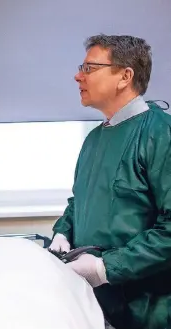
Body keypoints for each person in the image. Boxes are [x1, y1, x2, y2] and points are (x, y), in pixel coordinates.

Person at [49, 33, 171, 329]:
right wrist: (63, 232)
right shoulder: (94, 139)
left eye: (89, 68)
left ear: (125, 76)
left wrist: (106, 267)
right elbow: (82, 201)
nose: (78, 76)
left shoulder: (159, 134)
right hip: (101, 305)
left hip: (150, 308)